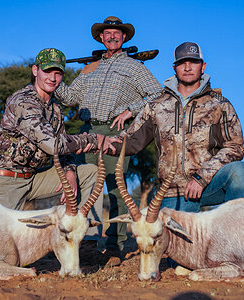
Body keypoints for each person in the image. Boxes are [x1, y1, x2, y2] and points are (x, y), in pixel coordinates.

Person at [54, 16, 163, 263]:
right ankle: (87, 244)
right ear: (101, 38)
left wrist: (130, 111)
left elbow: (158, 94)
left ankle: (115, 247)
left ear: (124, 37)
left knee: (116, 187)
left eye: (117, 33)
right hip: (86, 132)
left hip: (114, 134)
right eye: (107, 33)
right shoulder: (90, 67)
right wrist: (55, 78)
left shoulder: (135, 67)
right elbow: (70, 97)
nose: (112, 36)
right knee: (85, 188)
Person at [0, 48, 118, 245]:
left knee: (90, 172)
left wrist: (70, 172)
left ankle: (83, 241)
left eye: (58, 73)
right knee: (6, 250)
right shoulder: (23, 101)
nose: (53, 78)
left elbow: (65, 151)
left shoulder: (55, 108)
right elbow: (53, 145)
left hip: (33, 178)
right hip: (5, 181)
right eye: (47, 71)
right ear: (35, 70)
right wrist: (93, 139)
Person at [108, 41, 244, 215]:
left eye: (193, 62)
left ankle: (237, 235)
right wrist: (95, 141)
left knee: (240, 171)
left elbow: (235, 147)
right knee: (181, 240)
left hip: (208, 184)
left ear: (203, 66)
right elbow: (129, 142)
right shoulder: (156, 105)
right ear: (174, 68)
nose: (188, 67)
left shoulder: (220, 104)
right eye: (182, 63)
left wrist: (201, 178)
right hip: (173, 191)